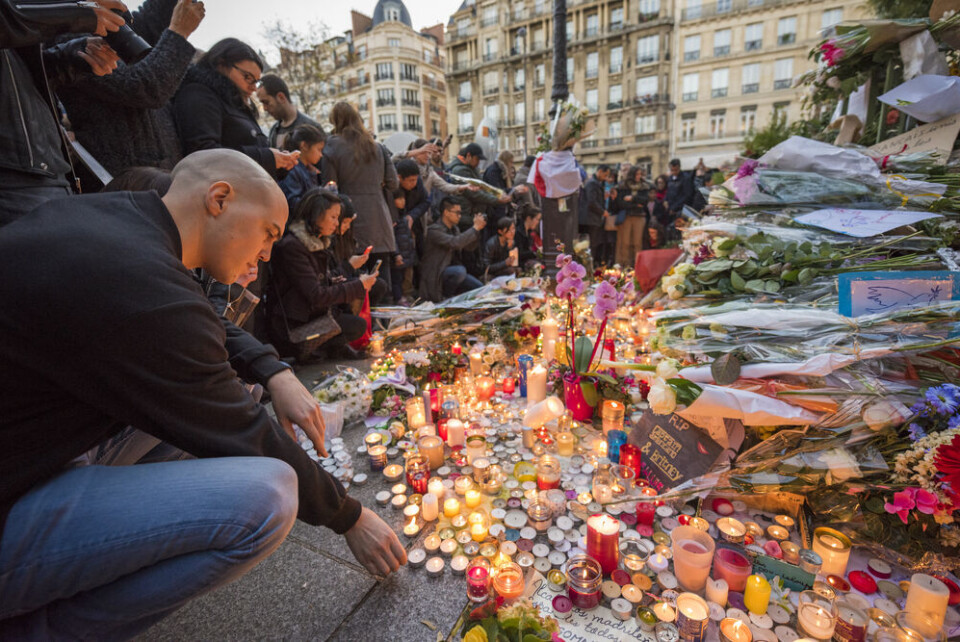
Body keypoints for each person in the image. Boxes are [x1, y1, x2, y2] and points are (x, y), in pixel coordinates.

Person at [0, 149, 404, 639]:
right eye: (268, 234)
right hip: (16, 500)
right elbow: (240, 427)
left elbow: (201, 329)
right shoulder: (143, 284)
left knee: (214, 412)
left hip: (36, 452)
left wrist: (273, 371)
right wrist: (349, 516)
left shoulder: (110, 227)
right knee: (269, 496)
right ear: (219, 199)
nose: (267, 254)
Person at [0, 0, 128, 225]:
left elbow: (22, 79)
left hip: (50, 171)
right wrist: (76, 13)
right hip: (15, 180)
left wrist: (73, 57)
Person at [56, 0, 204, 177]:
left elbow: (151, 23)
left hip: (154, 172)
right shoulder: (67, 30)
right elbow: (145, 87)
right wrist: (179, 32)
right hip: (122, 180)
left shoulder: (109, 21)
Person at [267, 187, 379, 360]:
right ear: (316, 214)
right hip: (295, 323)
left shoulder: (317, 241)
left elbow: (324, 279)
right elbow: (316, 294)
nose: (336, 223)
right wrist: (359, 285)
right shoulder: (293, 246)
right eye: (333, 217)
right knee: (356, 324)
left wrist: (349, 267)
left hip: (314, 312)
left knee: (355, 310)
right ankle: (309, 351)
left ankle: (329, 350)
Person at [172, 38, 298, 180]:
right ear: (221, 65)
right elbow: (204, 154)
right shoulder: (199, 94)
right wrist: (266, 157)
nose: (253, 87)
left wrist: (279, 162)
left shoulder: (236, 104)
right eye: (247, 77)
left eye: (256, 81)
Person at [322, 102, 398, 298]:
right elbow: (393, 183)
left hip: (350, 221)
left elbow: (329, 187)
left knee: (356, 287)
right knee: (383, 284)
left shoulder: (331, 145)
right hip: (379, 221)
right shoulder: (378, 147)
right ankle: (385, 327)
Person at [420, 196, 486, 302]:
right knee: (459, 271)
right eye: (457, 213)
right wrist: (474, 228)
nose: (460, 216)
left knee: (481, 288)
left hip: (454, 273)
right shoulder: (434, 230)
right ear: (446, 212)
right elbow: (455, 243)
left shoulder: (455, 229)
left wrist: (477, 231)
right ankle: (446, 299)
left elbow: (468, 248)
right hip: (437, 276)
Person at [257, 74, 320, 150]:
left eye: (266, 102)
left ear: (281, 97)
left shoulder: (312, 127)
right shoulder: (273, 131)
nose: (265, 108)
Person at [278, 124, 325, 214]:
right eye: (319, 149)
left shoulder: (308, 169)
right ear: (304, 146)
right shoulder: (291, 169)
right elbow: (294, 203)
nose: (321, 155)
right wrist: (320, 196)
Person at [614, 166, 650, 265]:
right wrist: (636, 204)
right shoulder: (622, 186)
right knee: (625, 242)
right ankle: (625, 265)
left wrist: (633, 198)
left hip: (640, 216)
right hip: (626, 216)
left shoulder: (644, 186)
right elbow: (620, 203)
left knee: (637, 243)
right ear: (632, 174)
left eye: (640, 174)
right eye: (637, 174)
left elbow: (645, 201)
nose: (639, 176)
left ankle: (638, 265)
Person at [578, 165, 611, 261]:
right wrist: (602, 211)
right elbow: (591, 202)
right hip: (590, 220)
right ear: (600, 171)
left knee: (593, 244)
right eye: (605, 175)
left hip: (592, 219)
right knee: (590, 245)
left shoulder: (596, 183)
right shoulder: (592, 183)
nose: (606, 178)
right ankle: (587, 266)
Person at [483, 216, 519, 281]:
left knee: (518, 270)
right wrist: (505, 263)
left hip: (503, 269)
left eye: (513, 228)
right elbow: (487, 267)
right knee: (510, 271)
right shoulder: (492, 243)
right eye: (508, 230)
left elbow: (513, 263)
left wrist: (509, 248)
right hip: (492, 272)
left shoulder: (510, 241)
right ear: (500, 231)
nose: (512, 232)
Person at [665, 158, 693, 223]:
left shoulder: (686, 178)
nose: (674, 172)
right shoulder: (670, 178)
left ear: (679, 167)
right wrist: (665, 200)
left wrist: (674, 207)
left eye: (676, 170)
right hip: (670, 208)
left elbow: (687, 195)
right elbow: (668, 191)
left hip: (681, 209)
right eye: (672, 170)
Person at [515, 204, 542, 268]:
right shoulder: (518, 232)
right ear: (529, 218)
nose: (538, 222)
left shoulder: (529, 232)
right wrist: (535, 252)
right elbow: (519, 254)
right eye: (537, 219)